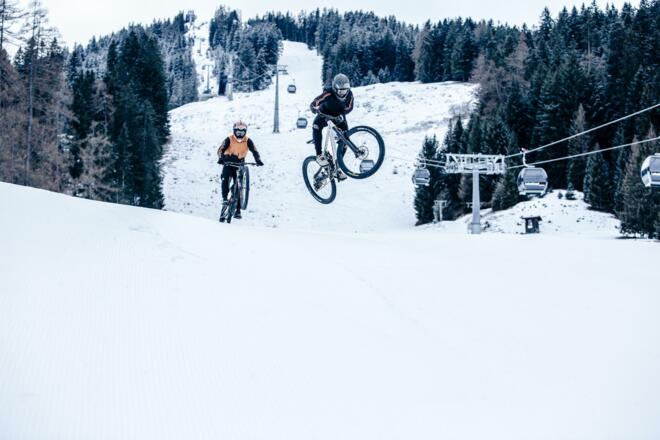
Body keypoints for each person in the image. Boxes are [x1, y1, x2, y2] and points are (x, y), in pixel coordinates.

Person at [309, 73, 354, 180]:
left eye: (345, 91)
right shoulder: (328, 93)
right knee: (316, 126)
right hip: (324, 115)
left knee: (345, 141)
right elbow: (317, 100)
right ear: (334, 88)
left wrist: (341, 114)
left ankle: (336, 167)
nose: (343, 94)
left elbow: (350, 107)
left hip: (338, 117)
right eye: (340, 91)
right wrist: (313, 106)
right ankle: (319, 155)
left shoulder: (350, 95)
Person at [217, 120, 263, 222]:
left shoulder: (248, 141)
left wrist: (258, 160)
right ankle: (225, 198)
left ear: (245, 132)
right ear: (234, 131)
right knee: (225, 179)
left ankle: (237, 210)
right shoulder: (229, 139)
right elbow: (220, 150)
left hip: (239, 164)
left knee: (239, 186)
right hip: (228, 163)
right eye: (238, 132)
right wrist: (221, 159)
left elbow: (255, 151)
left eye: (242, 132)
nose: (240, 134)